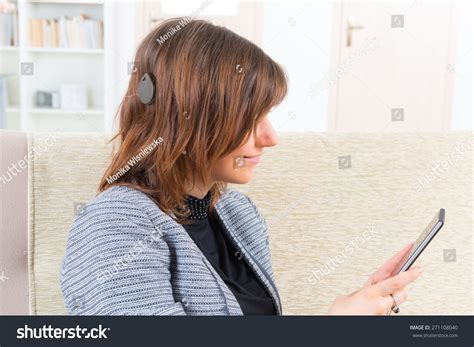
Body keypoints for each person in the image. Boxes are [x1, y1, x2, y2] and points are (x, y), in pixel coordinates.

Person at [60, 18, 422, 315]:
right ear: (191, 117)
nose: (270, 137)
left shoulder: (238, 213)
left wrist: (356, 309)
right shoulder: (115, 223)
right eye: (250, 118)